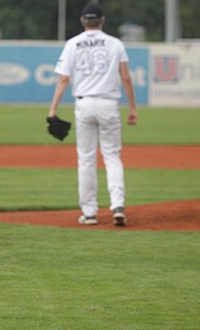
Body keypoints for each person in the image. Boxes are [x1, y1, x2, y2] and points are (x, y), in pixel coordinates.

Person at [47, 2, 137, 226]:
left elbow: (64, 79)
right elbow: (126, 78)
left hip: (84, 104)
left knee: (86, 159)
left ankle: (89, 212)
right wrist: (133, 108)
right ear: (102, 20)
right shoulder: (115, 43)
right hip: (108, 103)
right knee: (112, 156)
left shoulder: (73, 43)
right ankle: (117, 205)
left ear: (82, 21)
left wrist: (53, 109)